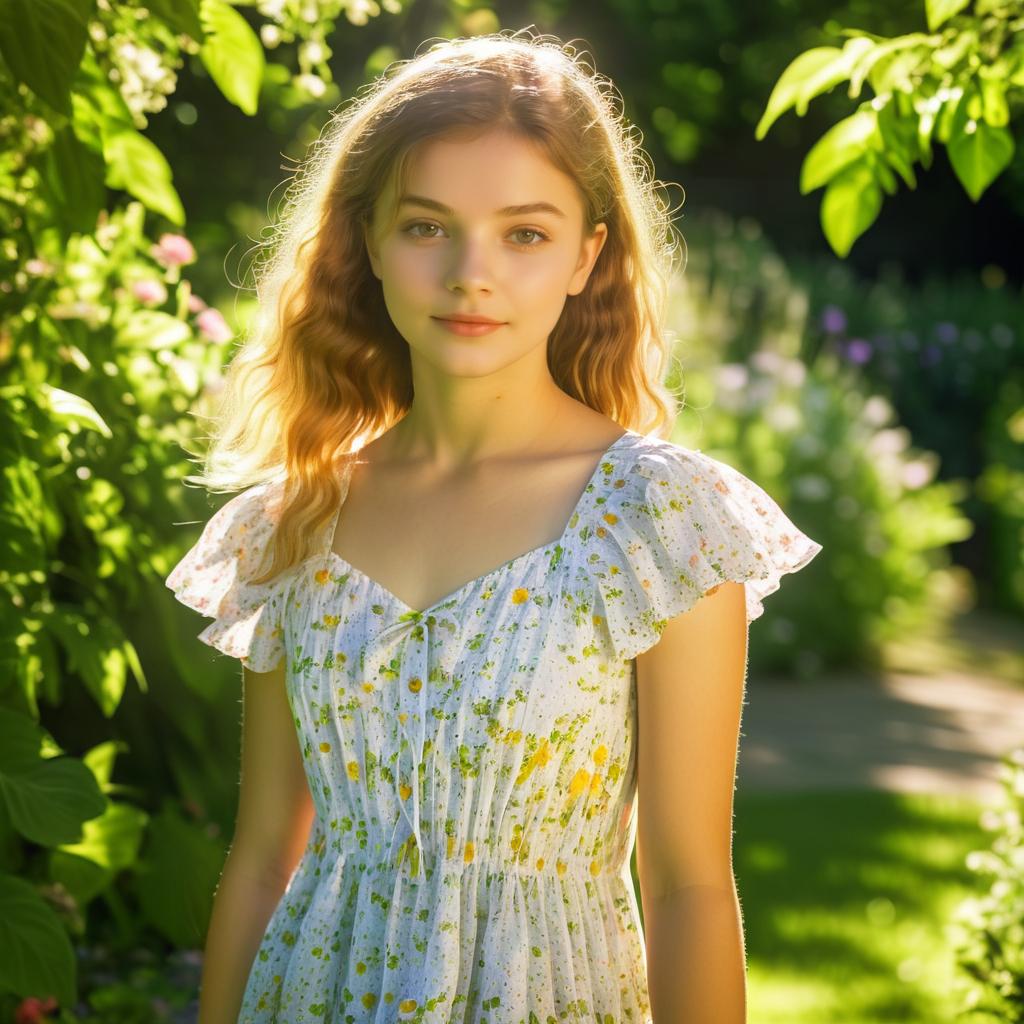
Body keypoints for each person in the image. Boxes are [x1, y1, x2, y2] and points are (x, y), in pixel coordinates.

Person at [165, 28, 823, 1024]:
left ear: (585, 254)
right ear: (370, 241)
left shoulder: (660, 523)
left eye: (524, 233)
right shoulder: (291, 519)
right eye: (427, 227)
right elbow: (261, 856)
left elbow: (689, 885)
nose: (472, 273)